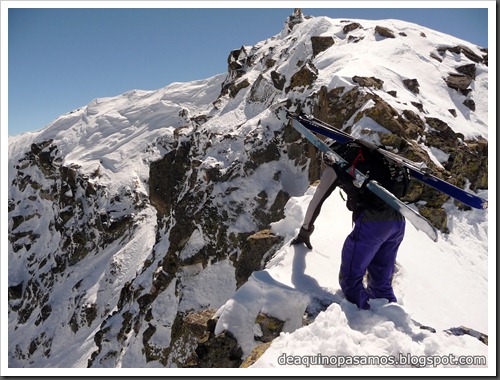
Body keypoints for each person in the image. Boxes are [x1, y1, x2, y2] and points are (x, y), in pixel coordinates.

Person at [291, 141, 409, 310]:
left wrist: (305, 231)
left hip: (372, 224)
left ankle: (365, 319)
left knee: (350, 280)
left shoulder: (338, 166)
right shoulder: (369, 161)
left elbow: (317, 200)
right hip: (397, 221)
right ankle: (391, 317)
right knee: (381, 284)